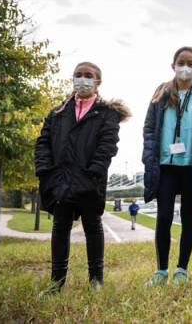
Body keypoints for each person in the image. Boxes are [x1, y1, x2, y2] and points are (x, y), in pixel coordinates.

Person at [34, 62, 130, 294]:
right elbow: (43, 143)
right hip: (61, 181)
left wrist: (94, 172)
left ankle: (95, 280)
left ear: (98, 81)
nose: (82, 79)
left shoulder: (106, 113)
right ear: (72, 78)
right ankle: (57, 282)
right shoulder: (58, 113)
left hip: (90, 182)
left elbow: (107, 146)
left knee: (92, 228)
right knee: (60, 228)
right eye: (78, 75)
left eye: (88, 75)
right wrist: (45, 172)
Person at [142, 46, 192, 286]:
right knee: (164, 217)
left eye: (190, 63)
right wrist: (148, 156)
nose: (185, 67)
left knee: (189, 217)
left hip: (191, 165)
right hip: (165, 164)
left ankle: (182, 270)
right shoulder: (161, 93)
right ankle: (161, 270)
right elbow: (149, 128)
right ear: (173, 65)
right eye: (181, 62)